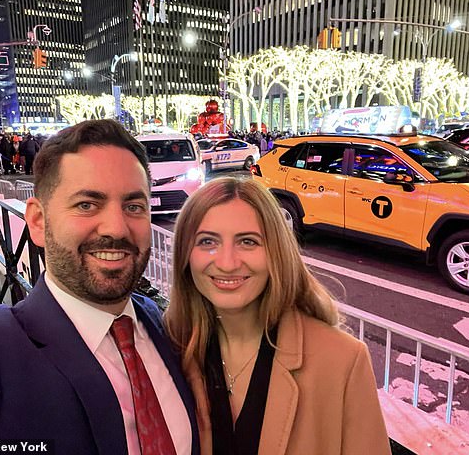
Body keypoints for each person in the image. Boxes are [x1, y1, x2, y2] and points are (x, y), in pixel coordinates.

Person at [0, 120, 199, 454]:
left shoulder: (157, 322)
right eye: (87, 205)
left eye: (134, 206)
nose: (117, 228)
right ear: (37, 220)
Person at [165, 177, 391, 455]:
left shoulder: (342, 360)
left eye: (247, 241)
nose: (226, 263)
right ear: (185, 256)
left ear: (276, 252)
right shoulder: (172, 347)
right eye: (207, 241)